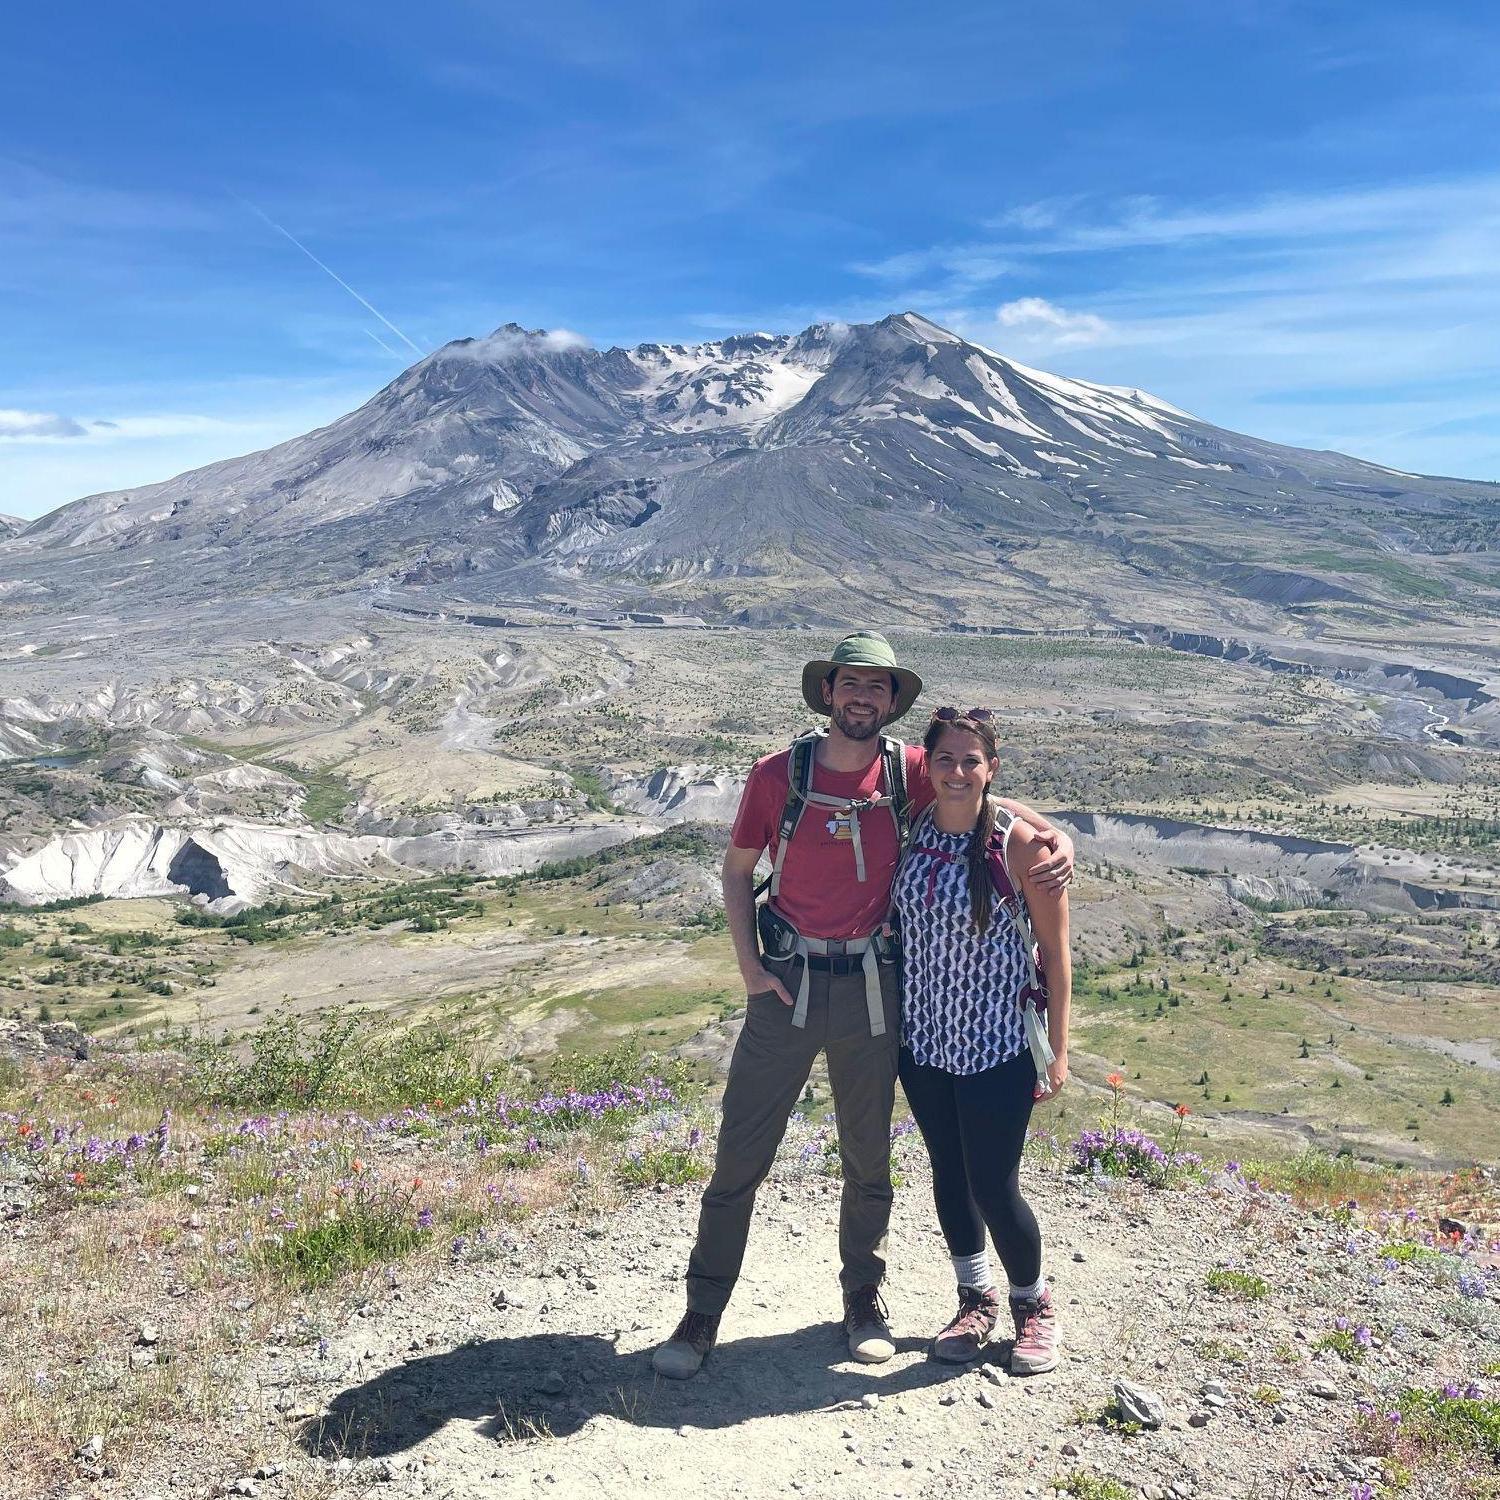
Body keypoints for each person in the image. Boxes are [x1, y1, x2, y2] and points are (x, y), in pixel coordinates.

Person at [652, 631, 1074, 1380]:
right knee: (740, 1157)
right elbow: (738, 869)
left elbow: (972, 788)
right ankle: (702, 1311)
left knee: (868, 1161)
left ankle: (864, 1302)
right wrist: (750, 966)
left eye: (876, 688)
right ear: (827, 691)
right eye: (851, 683)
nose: (861, 698)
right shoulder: (777, 774)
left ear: (890, 702)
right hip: (787, 981)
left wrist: (1055, 832)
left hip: (875, 991)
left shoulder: (906, 768)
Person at [893, 707, 1071, 1374]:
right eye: (946, 759)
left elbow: (1056, 955)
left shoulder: (1018, 845)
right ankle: (974, 1297)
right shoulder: (910, 828)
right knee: (949, 1175)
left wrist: (1058, 1050)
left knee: (995, 1184)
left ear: (992, 768)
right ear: (927, 766)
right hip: (926, 1042)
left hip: (996, 1046)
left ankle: (1033, 1302)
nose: (958, 771)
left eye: (972, 760)